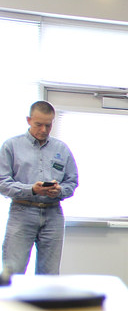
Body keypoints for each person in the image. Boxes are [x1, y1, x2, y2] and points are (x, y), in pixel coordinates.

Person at [0, 101, 79, 275]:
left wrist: (60, 191)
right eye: (38, 124)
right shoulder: (11, 146)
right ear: (29, 120)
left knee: (49, 276)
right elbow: (2, 183)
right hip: (22, 212)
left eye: (48, 125)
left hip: (53, 214)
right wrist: (32, 189)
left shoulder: (62, 149)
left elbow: (72, 182)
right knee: (13, 271)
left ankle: (45, 303)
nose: (43, 130)